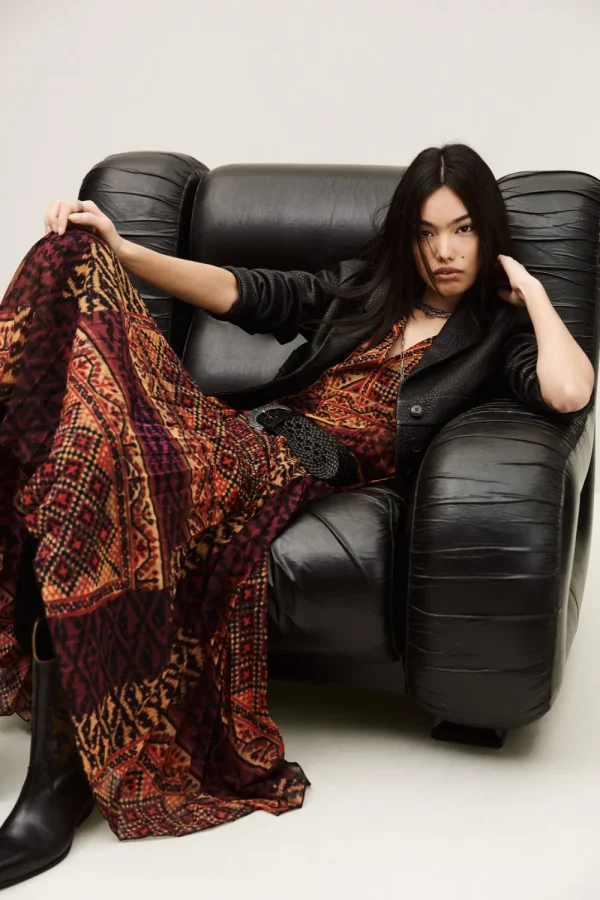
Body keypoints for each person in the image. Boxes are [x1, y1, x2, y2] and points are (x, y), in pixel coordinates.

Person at [0, 143, 594, 888]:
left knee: (94, 465)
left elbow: (569, 392)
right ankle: (59, 771)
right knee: (71, 275)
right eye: (426, 232)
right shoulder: (367, 288)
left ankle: (56, 784)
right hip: (246, 429)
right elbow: (247, 293)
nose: (444, 251)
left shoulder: (499, 334)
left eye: (464, 229)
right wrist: (124, 251)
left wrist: (533, 291)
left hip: (305, 458)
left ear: (490, 235)